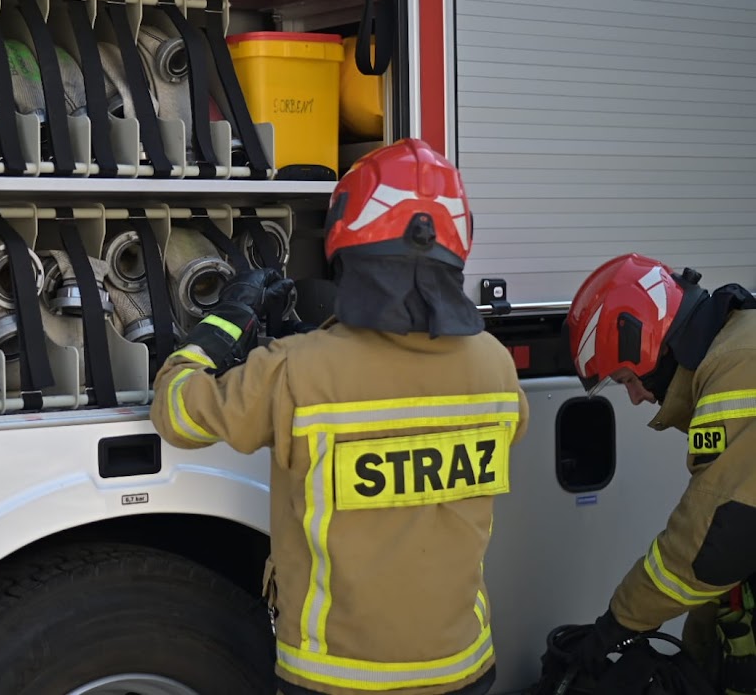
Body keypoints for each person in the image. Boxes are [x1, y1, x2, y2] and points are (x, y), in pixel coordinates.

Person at [149, 138, 529, 695]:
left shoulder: (295, 372)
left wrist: (221, 327)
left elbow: (178, 415)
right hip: (462, 666)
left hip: (337, 676)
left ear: (347, 239)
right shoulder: (496, 366)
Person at [564, 253, 756, 689]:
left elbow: (711, 544)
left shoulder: (738, 369)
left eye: (628, 379)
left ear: (652, 343)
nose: (636, 398)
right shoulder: (738, 347)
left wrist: (617, 623)